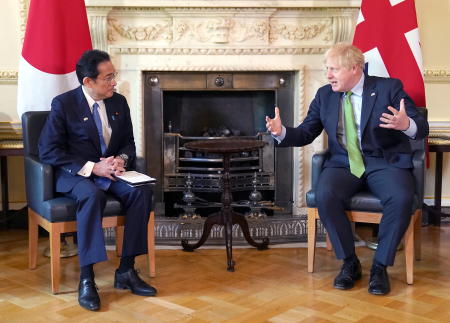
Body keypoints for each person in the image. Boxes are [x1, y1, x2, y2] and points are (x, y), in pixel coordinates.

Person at [265, 43, 428, 295]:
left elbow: (421, 126)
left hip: (384, 162)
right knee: (325, 194)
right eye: (326, 69)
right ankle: (350, 263)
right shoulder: (325, 95)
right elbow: (307, 132)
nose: (328, 75)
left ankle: (379, 266)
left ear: (354, 69)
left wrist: (406, 124)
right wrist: (281, 132)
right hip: (343, 163)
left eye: (334, 69)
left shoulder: (388, 88)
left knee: (401, 197)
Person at [39, 49, 156, 311]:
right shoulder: (64, 104)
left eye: (114, 75)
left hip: (111, 171)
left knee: (142, 192)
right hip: (76, 174)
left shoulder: (118, 102)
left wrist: (122, 160)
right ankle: (87, 279)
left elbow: (128, 142)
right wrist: (93, 168)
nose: (114, 82)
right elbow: (48, 151)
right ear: (88, 82)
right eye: (108, 77)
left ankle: (126, 270)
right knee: (91, 196)